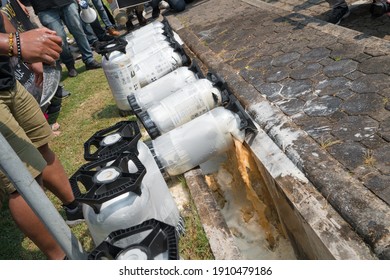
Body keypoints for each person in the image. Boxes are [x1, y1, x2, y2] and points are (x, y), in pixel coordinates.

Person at [0, 10, 84, 259]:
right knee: (22, 181)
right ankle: (61, 256)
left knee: (42, 145)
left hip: (8, 83)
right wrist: (15, 44)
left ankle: (75, 208)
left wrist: (22, 44)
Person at [29, 0, 101, 78]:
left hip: (67, 2)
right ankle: (70, 65)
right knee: (60, 38)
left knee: (78, 31)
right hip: (44, 8)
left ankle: (89, 60)